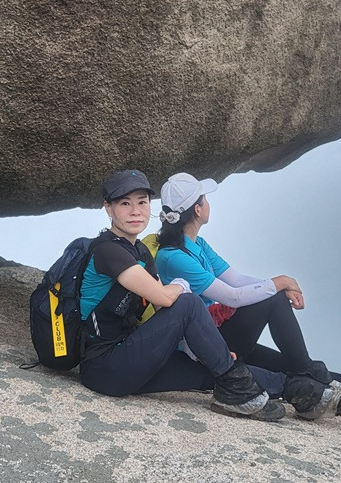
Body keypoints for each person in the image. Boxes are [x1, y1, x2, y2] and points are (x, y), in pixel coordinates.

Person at [153, 172, 341, 419]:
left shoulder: (197, 245)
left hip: (220, 334)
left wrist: (283, 284)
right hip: (203, 347)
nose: (208, 203)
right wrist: (279, 284)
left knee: (286, 362)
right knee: (275, 301)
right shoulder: (173, 256)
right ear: (198, 209)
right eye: (204, 198)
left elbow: (237, 280)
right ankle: (311, 370)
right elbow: (232, 297)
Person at [76, 170, 299, 421]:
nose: (135, 211)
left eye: (142, 202)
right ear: (108, 208)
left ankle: (297, 388)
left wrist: (206, 350)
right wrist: (181, 285)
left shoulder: (141, 252)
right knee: (189, 302)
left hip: (131, 356)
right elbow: (164, 298)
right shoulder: (108, 251)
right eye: (125, 204)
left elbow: (165, 314)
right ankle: (238, 392)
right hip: (105, 366)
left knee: (210, 369)